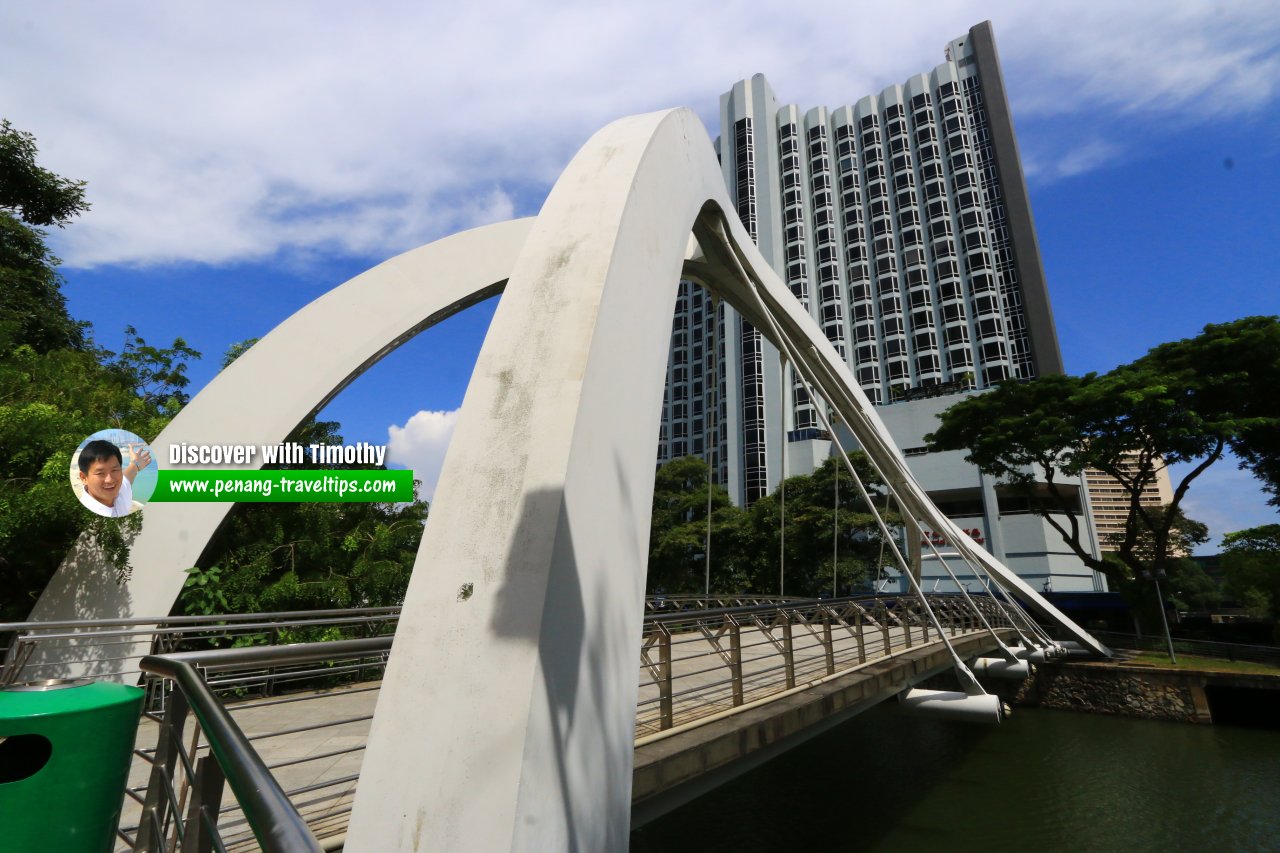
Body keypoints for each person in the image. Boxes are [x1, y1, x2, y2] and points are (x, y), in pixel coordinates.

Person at [76, 439, 152, 517]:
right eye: (100, 473)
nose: (110, 480)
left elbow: (128, 476)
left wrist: (135, 464)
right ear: (84, 478)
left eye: (114, 470)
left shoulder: (120, 491)